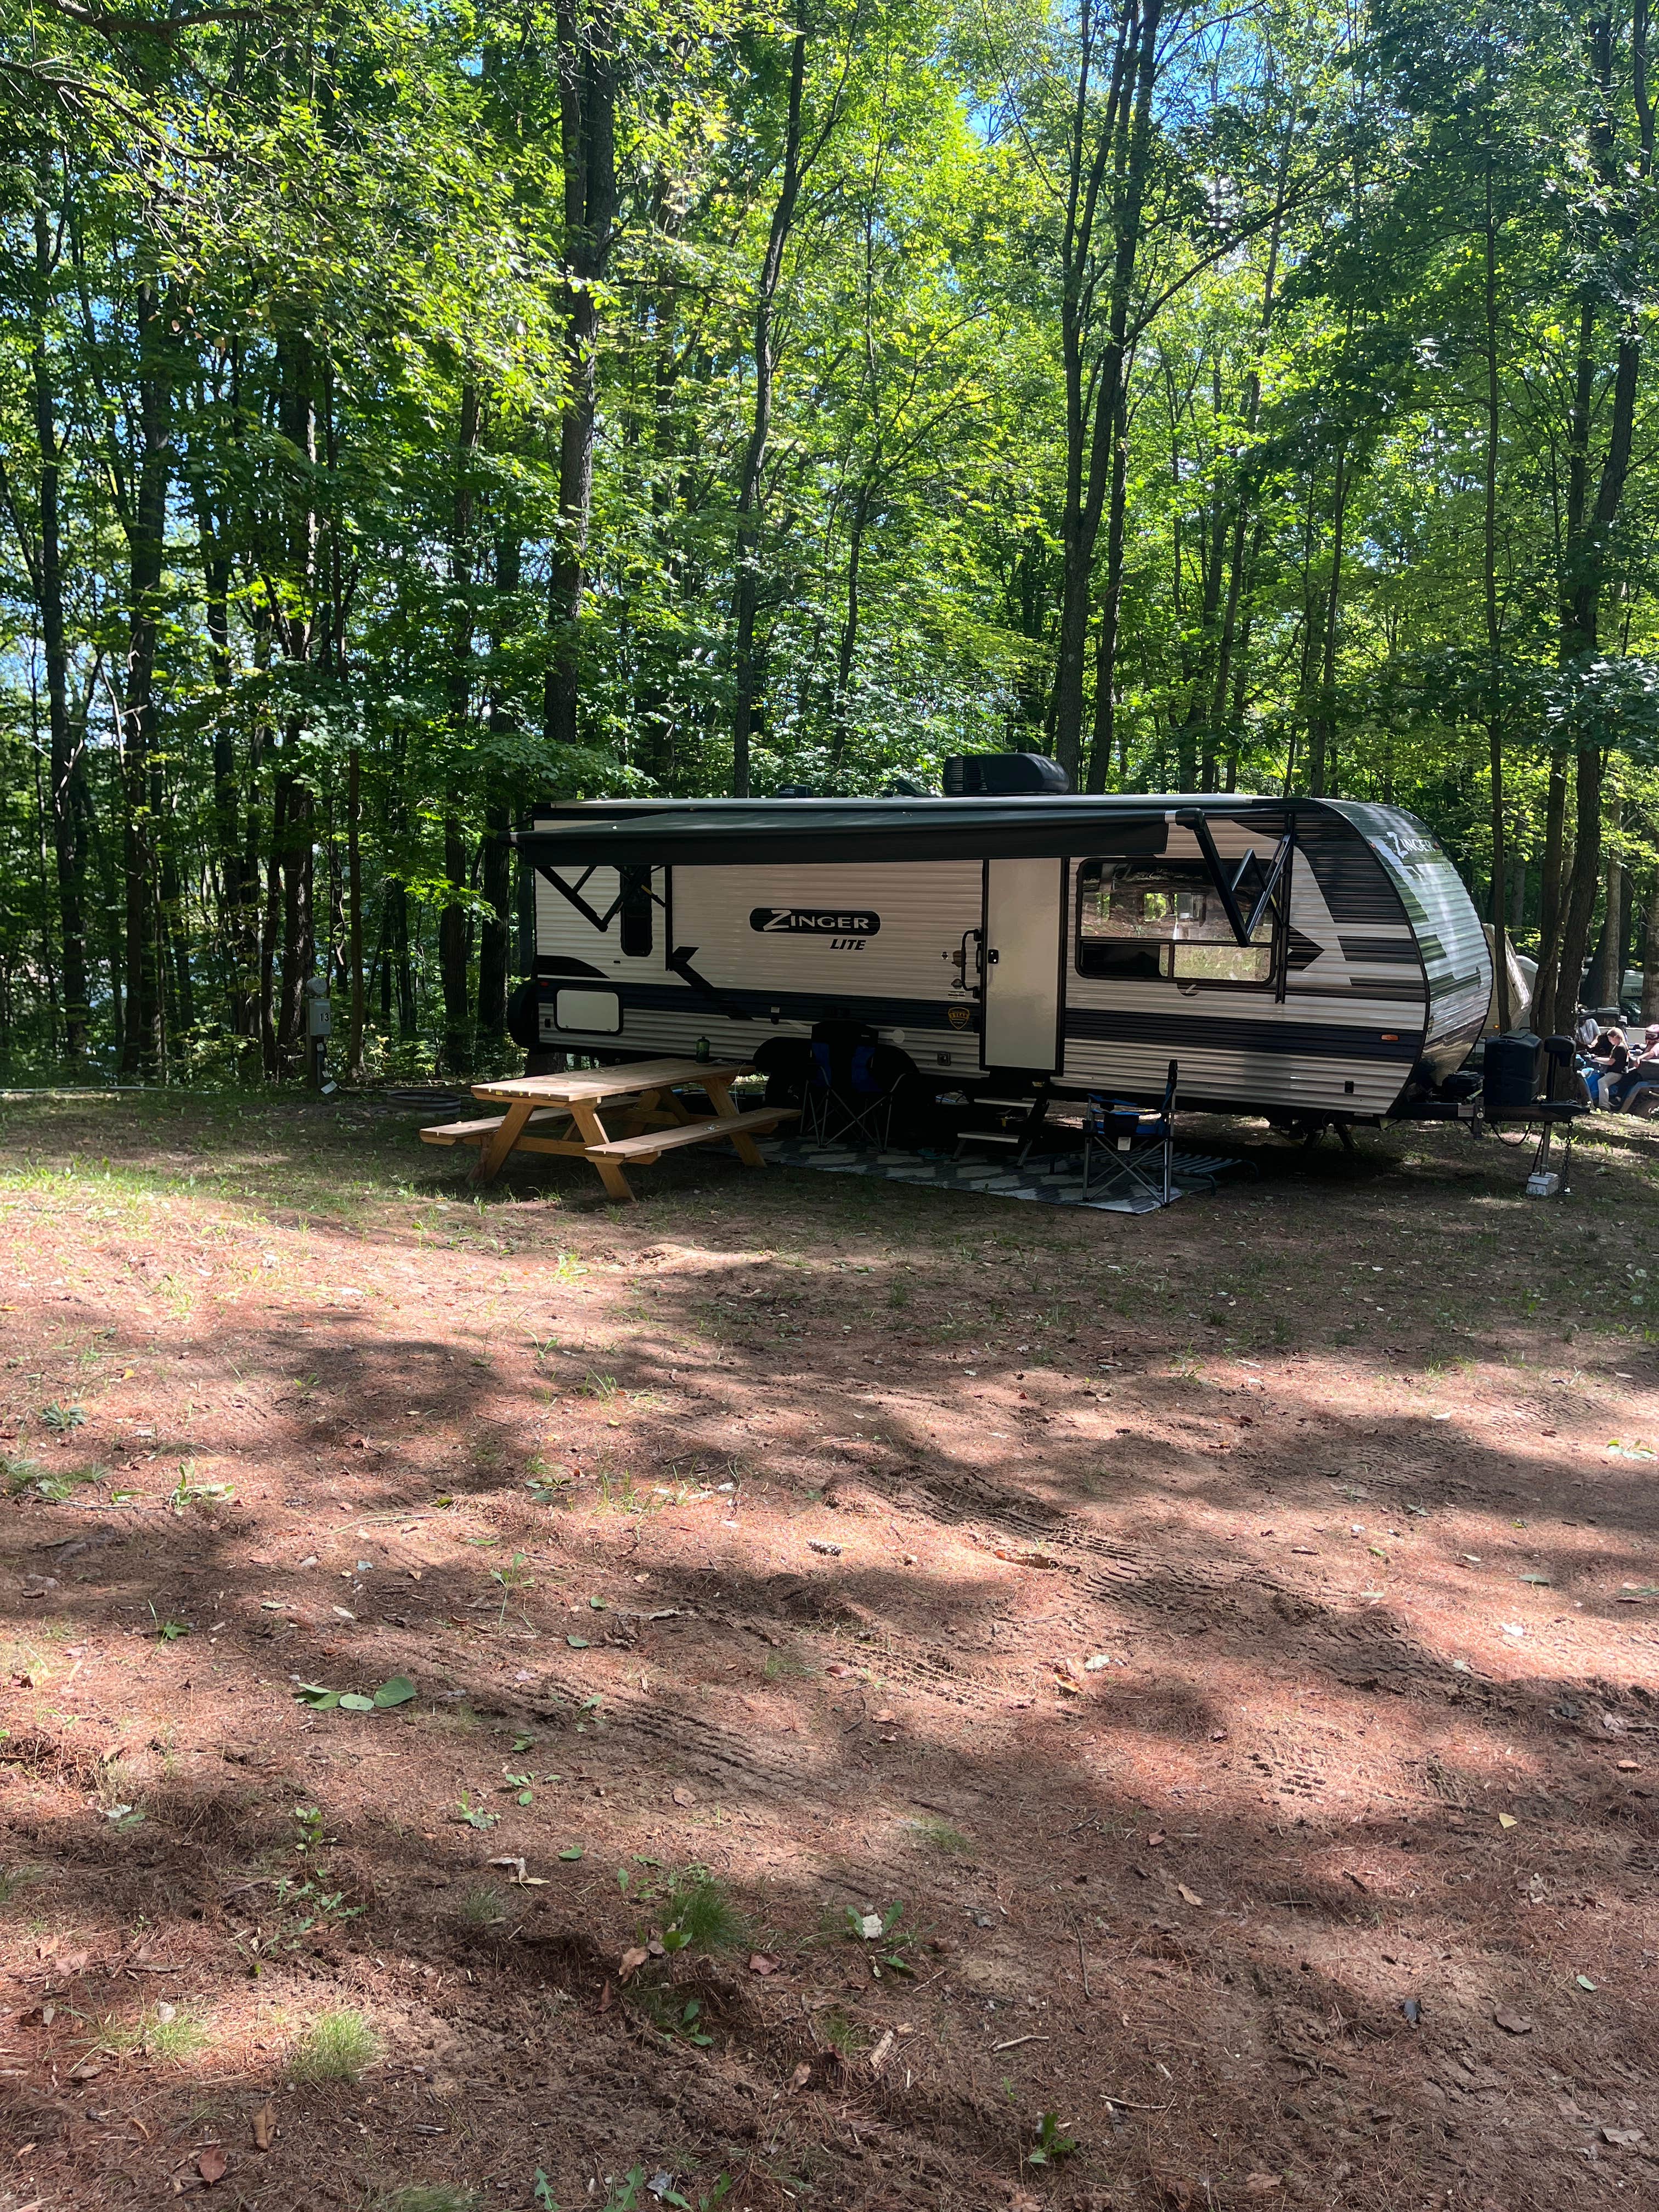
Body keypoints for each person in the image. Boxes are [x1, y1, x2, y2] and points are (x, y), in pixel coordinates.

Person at [1609, 1024, 1659, 1110]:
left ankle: (1618, 1098)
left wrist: (1640, 1058)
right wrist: (1639, 1047)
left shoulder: (1657, 1045)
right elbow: (1646, 1049)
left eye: (1652, 1036)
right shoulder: (1651, 1045)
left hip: (1648, 1073)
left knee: (1627, 1077)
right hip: (1644, 1071)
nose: (1648, 1037)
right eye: (1647, 1034)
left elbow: (1652, 1053)